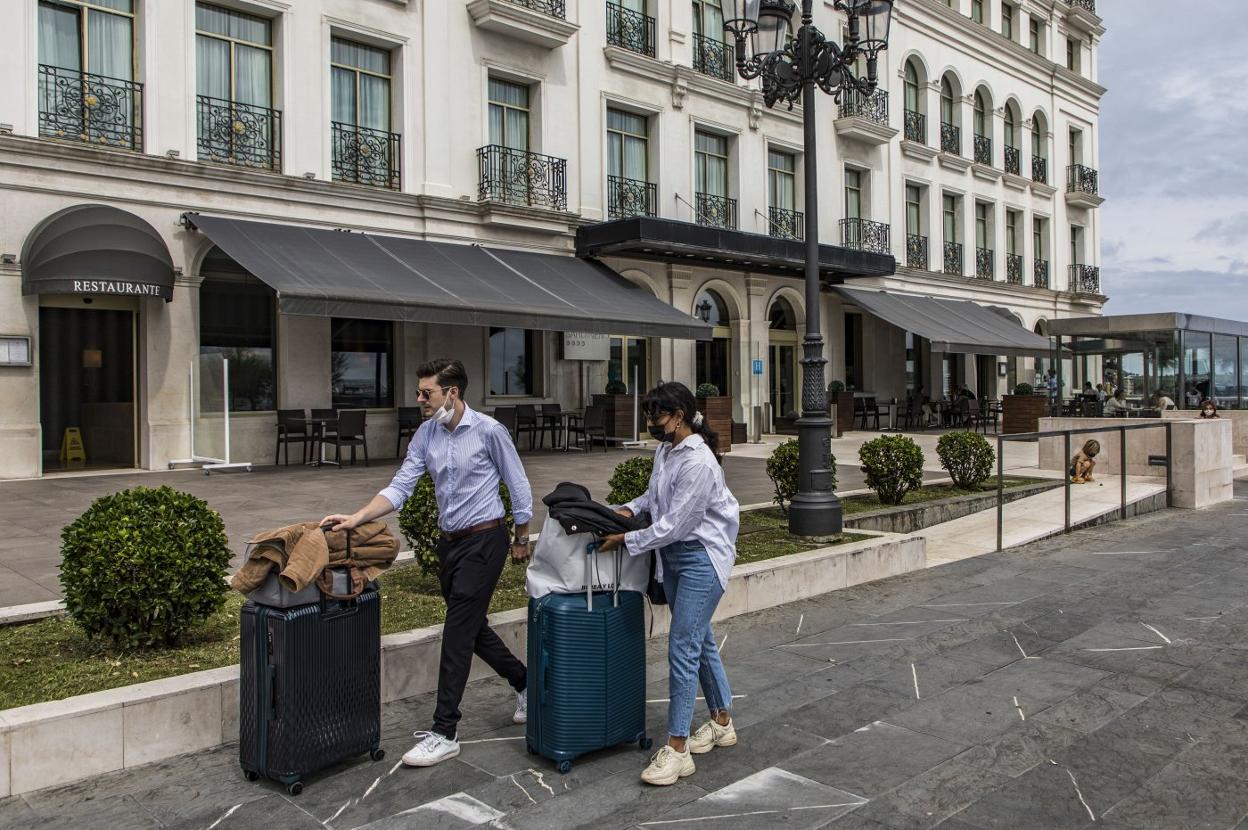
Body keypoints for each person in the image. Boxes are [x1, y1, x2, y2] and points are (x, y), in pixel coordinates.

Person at [320, 358, 533, 768]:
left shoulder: (489, 431)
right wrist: (356, 518)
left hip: (485, 540)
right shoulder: (426, 434)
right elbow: (401, 486)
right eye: (420, 392)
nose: (419, 399)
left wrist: (521, 538)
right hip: (449, 544)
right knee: (470, 626)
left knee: (456, 633)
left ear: (451, 393)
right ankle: (526, 682)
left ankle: (445, 730)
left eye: (427, 393)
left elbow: (518, 484)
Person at [599, 382, 740, 787]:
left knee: (683, 646)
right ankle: (722, 722)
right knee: (700, 640)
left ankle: (677, 750)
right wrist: (627, 509)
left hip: (701, 558)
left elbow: (678, 523)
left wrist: (626, 538)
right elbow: (655, 496)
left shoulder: (698, 462)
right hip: (674, 557)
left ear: (678, 417)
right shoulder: (667, 450)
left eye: (656, 417)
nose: (650, 424)